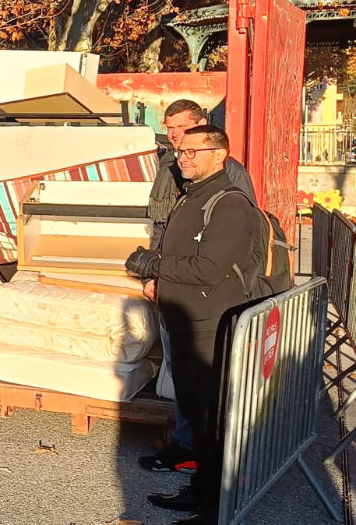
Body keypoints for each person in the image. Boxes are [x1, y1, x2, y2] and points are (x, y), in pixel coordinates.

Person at [126, 124, 256, 525]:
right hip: (183, 318)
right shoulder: (191, 196)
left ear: (219, 154)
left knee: (212, 417)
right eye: (180, 152)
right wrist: (157, 274)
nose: (183, 158)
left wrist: (153, 264)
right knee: (196, 414)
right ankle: (201, 491)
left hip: (209, 324)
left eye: (193, 152)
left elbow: (210, 268)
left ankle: (216, 506)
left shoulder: (231, 203)